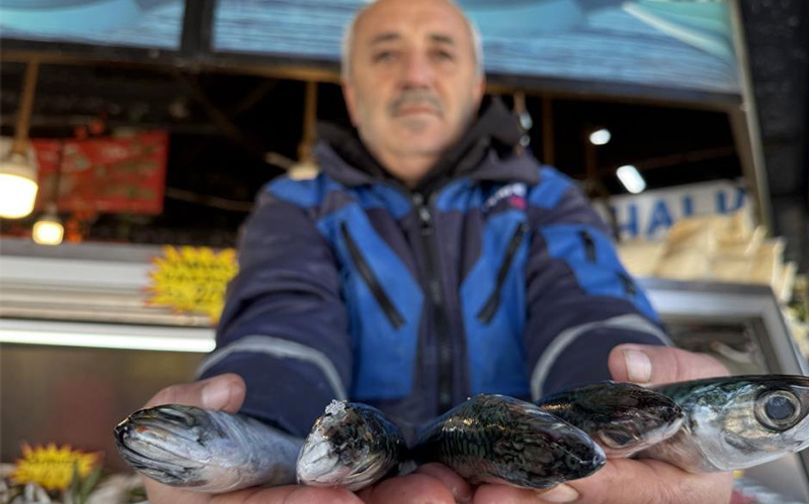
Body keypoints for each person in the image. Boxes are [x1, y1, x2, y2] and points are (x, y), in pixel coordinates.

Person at [141, 0, 734, 502]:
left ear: (476, 85)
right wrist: (251, 431)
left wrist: (633, 414)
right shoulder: (296, 204)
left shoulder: (547, 197)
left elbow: (586, 306)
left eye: (442, 53)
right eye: (386, 53)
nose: (416, 74)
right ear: (351, 92)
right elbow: (284, 323)